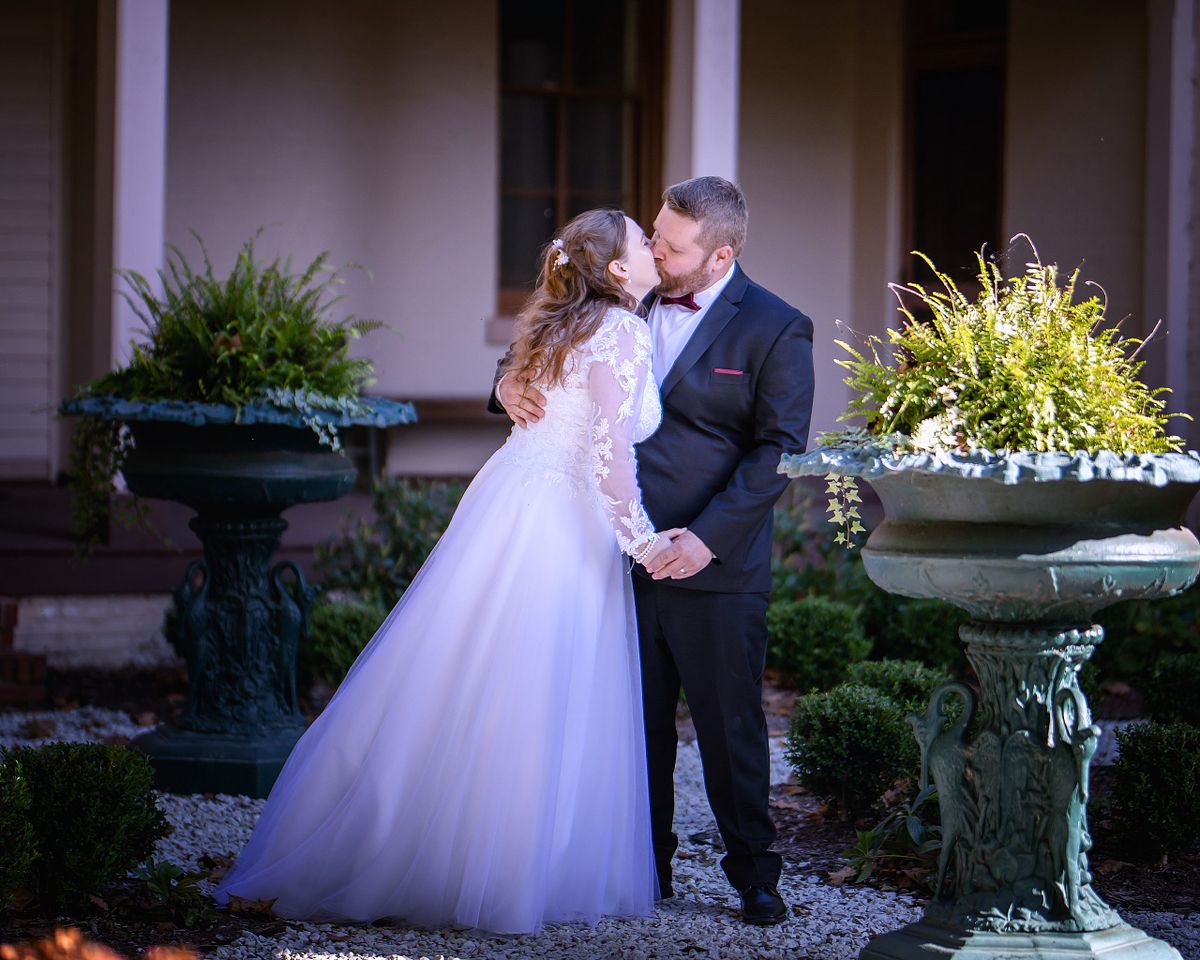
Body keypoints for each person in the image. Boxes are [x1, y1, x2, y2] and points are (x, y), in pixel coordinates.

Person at [215, 208, 684, 935]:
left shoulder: (555, 323)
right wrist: (645, 543)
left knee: (467, 671)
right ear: (618, 271)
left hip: (509, 500)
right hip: (561, 519)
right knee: (535, 686)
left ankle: (427, 844)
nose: (653, 247)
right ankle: (505, 871)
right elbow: (609, 457)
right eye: (639, 240)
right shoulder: (621, 330)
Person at [495, 176, 814, 926]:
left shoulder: (776, 327)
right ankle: (645, 867)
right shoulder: (612, 303)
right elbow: (553, 355)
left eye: (672, 247)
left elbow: (779, 450)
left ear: (720, 253)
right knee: (627, 725)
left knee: (728, 724)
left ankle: (755, 876)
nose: (657, 252)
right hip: (609, 553)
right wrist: (504, 383)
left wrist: (707, 540)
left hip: (712, 562)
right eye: (655, 238)